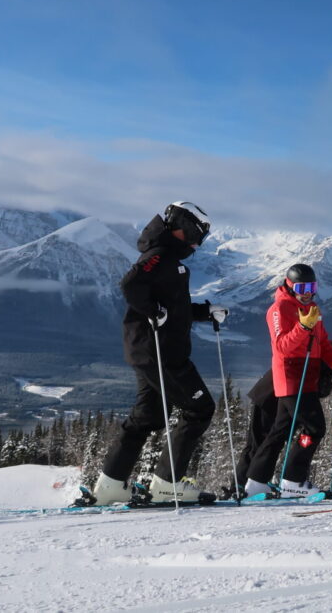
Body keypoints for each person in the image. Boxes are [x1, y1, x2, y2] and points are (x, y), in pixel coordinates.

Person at [90, 201, 228, 505]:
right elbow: (131, 284)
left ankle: (110, 484)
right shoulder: (160, 255)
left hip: (149, 350)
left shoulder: (167, 258)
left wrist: (205, 312)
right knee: (199, 409)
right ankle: (167, 484)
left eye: (201, 236)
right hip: (160, 352)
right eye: (196, 233)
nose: (196, 242)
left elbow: (172, 309)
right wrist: (154, 311)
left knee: (148, 415)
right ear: (182, 225)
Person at [243, 264, 332, 498]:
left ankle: (256, 482)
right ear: (290, 286)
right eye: (302, 287)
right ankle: (292, 480)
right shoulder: (278, 308)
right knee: (315, 427)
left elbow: (322, 343)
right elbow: (281, 346)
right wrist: (303, 326)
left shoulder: (312, 308)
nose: (307, 292)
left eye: (312, 287)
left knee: (279, 431)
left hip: (307, 377)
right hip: (291, 377)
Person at [228, 333, 332, 498]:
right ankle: (240, 485)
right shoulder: (321, 353)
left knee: (274, 437)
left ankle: (248, 484)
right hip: (270, 397)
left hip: (282, 400)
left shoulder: (325, 358)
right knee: (258, 442)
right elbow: (313, 384)